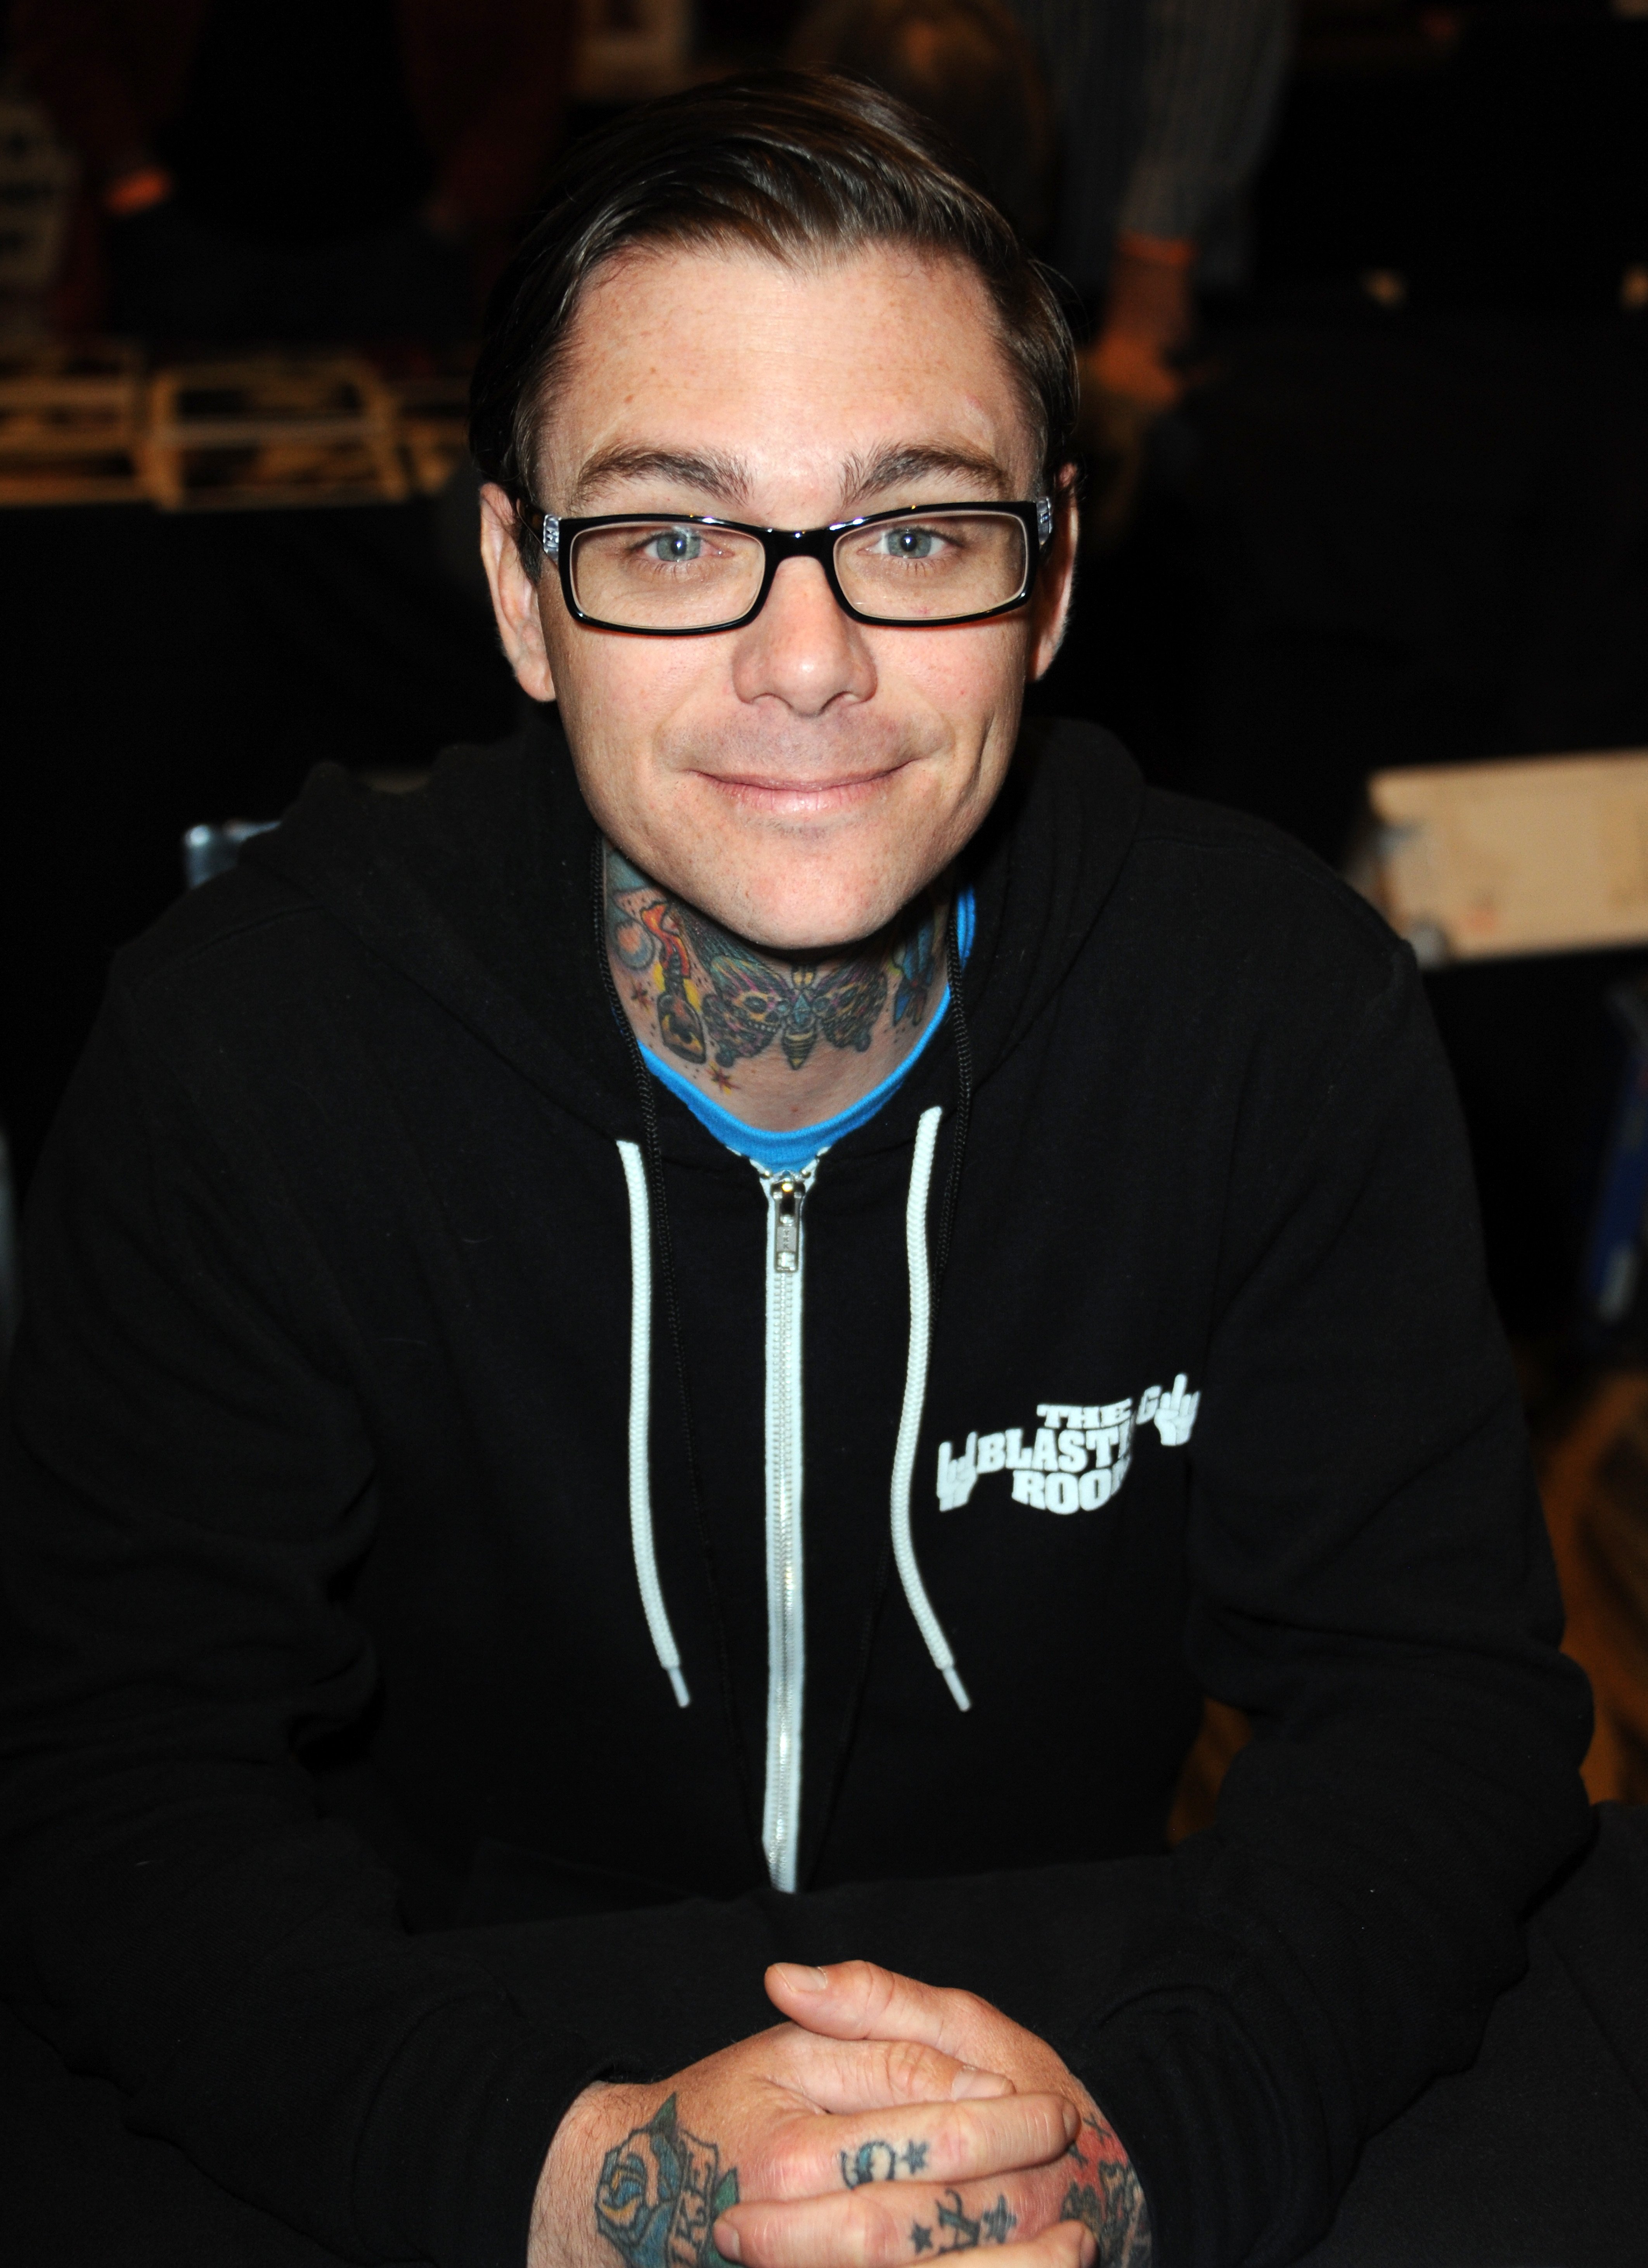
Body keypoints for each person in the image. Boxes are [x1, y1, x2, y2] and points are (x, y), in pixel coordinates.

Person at [0, 67, 1614, 2268]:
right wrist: (562, 2181)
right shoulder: (247, 1043)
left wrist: (1155, 2148)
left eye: (915, 530)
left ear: (1046, 584)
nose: (806, 661)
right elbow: (101, 1778)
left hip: (1067, 2032)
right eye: (668, 536)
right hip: (450, 2060)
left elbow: (1433, 1706)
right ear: (514, 586)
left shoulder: (1273, 1009)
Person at [12, 0, 577, 338]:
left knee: (395, 513)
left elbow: (535, 58)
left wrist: (457, 213)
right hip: (178, 240)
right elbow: (62, 32)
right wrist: (132, 183)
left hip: (409, 252)